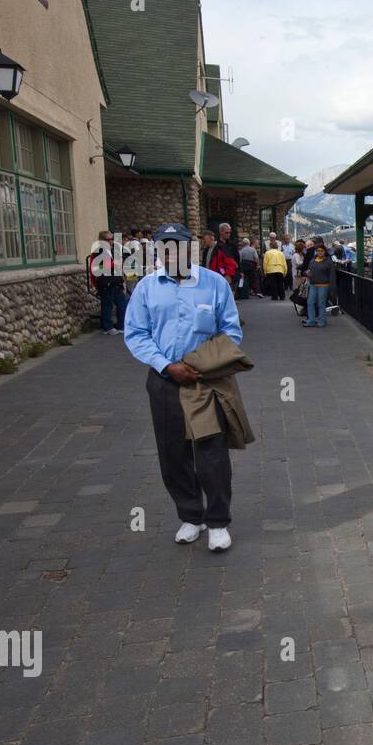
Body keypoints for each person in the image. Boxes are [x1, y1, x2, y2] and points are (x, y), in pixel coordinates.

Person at [123, 222, 243, 552]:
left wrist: (202, 364)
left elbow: (231, 331)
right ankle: (192, 516)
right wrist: (167, 366)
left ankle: (218, 522)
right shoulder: (147, 288)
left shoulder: (214, 284)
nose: (171, 251)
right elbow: (135, 333)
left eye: (178, 245)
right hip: (164, 381)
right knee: (172, 453)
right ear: (158, 251)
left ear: (189, 249)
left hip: (205, 381)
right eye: (165, 246)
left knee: (211, 453)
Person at [88, 229, 127, 335]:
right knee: (107, 305)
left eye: (111, 239)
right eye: (108, 239)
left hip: (116, 282)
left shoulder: (112, 250)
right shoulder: (98, 252)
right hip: (106, 282)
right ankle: (107, 327)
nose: (111, 241)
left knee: (122, 304)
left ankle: (121, 325)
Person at [304, 241, 335, 327]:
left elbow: (332, 275)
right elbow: (308, 270)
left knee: (321, 304)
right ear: (316, 252)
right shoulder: (312, 260)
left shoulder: (328, 261)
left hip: (324, 285)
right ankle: (311, 321)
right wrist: (307, 273)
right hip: (313, 284)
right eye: (318, 251)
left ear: (325, 252)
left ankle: (321, 321)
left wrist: (332, 287)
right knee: (310, 302)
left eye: (321, 251)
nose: (320, 252)